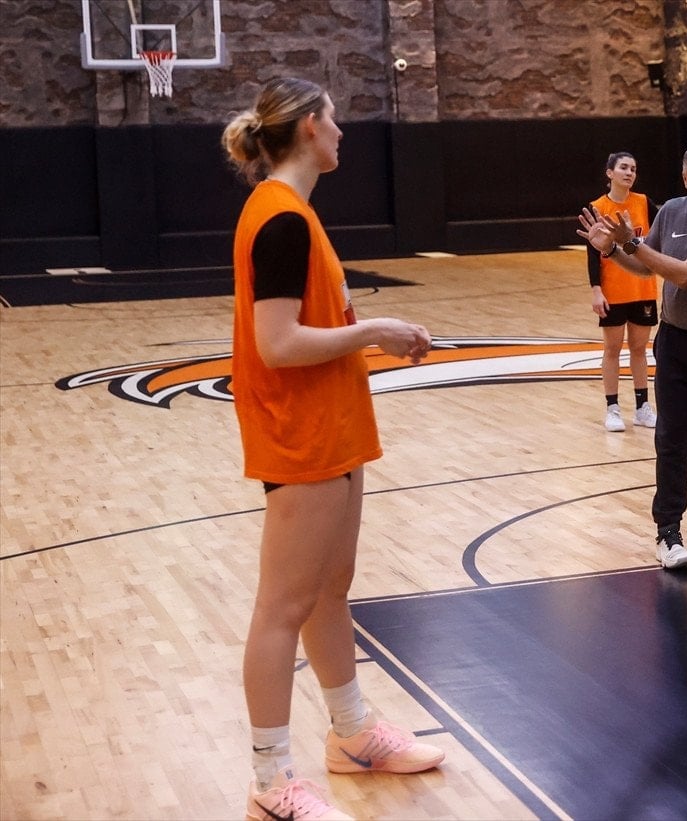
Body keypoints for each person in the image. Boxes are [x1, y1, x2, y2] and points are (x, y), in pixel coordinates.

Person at [222, 77, 444, 821]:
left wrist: (366, 333)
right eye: (335, 118)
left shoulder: (296, 212)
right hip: (301, 435)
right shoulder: (280, 218)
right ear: (310, 128)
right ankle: (269, 780)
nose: (343, 130)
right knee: (281, 608)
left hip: (334, 424)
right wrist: (372, 331)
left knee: (328, 591)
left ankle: (351, 734)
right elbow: (277, 344)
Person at [578, 139, 687, 570]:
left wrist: (632, 244)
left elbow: (686, 273)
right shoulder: (673, 211)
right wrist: (612, 250)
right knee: (671, 440)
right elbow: (647, 266)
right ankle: (668, 533)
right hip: (676, 343)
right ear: (685, 179)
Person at [586, 151, 659, 432]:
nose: (629, 173)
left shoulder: (644, 203)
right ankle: (613, 408)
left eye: (633, 169)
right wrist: (596, 290)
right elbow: (592, 255)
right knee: (612, 349)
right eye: (624, 168)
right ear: (610, 173)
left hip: (643, 287)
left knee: (640, 349)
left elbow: (657, 240)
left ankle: (642, 407)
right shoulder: (597, 207)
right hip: (613, 291)